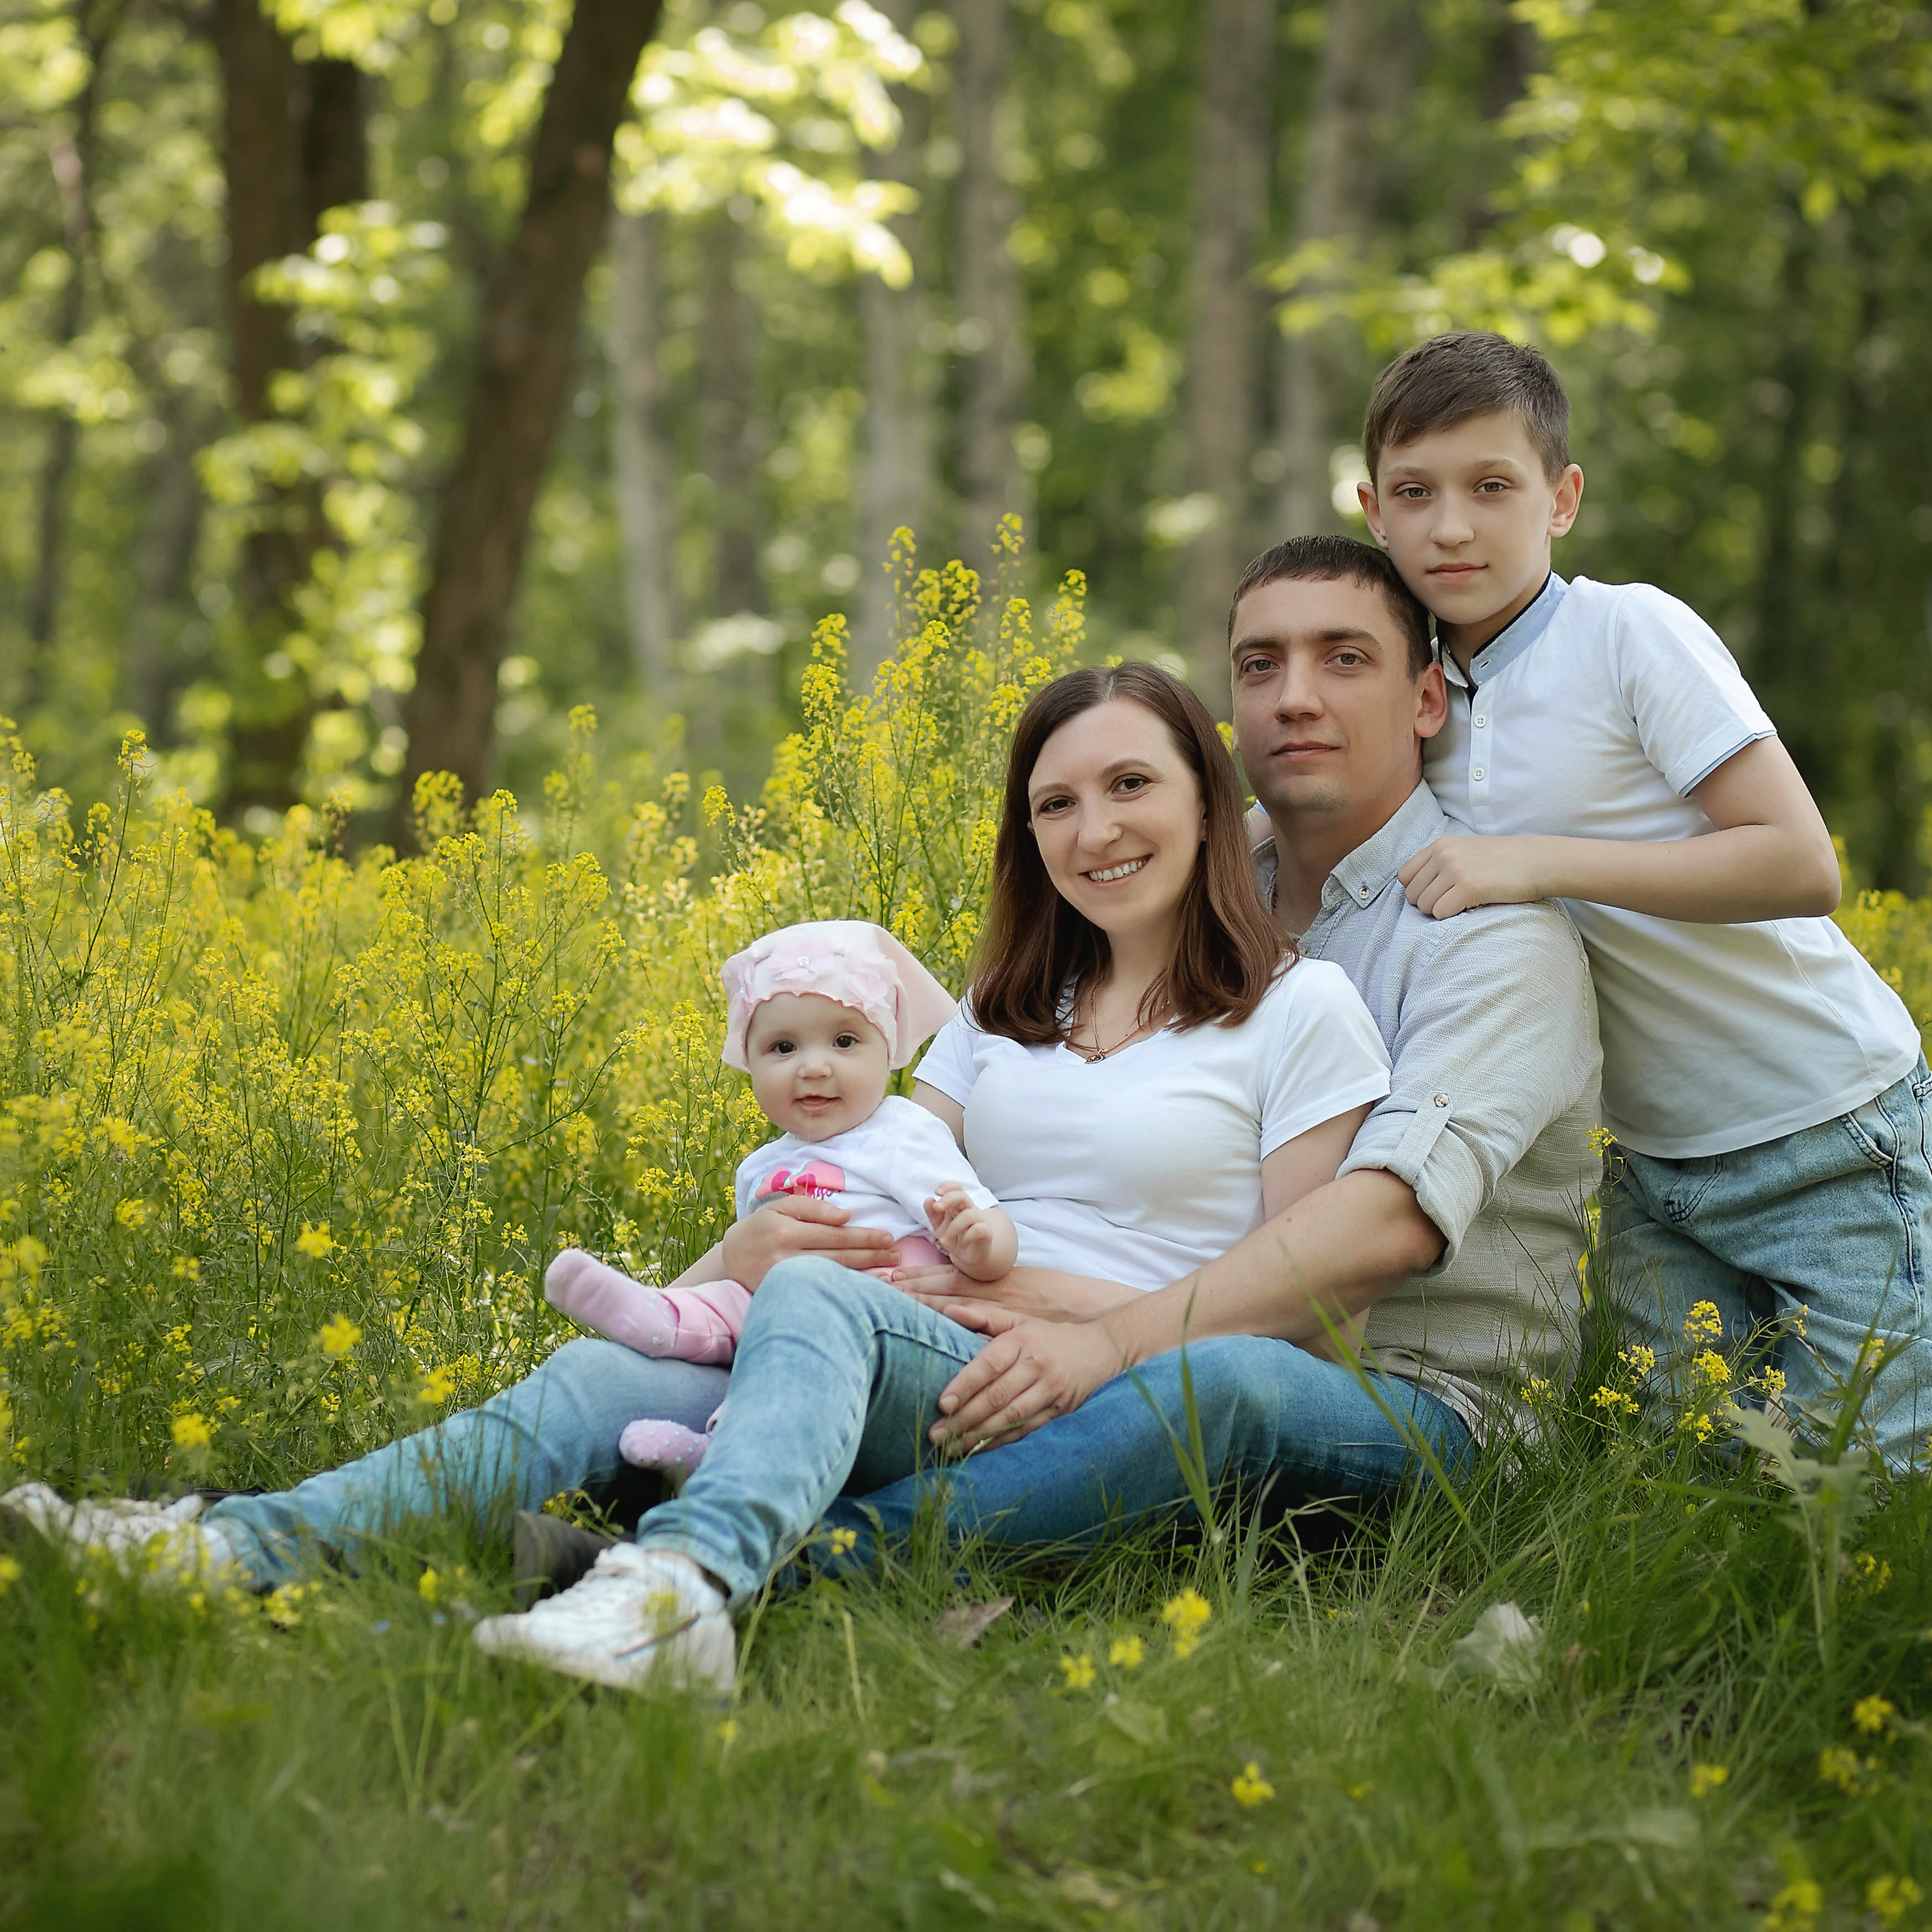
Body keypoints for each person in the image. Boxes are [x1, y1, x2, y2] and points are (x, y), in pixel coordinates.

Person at [2, 662, 1395, 1697]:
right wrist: (745, 1259)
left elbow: (1297, 1312)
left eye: (1131, 785)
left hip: (1097, 1381)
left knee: (826, 1308)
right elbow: (888, 1199)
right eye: (1056, 803)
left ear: (1208, 799)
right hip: (908, 1355)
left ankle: (675, 1592)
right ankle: (222, 1552)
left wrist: (1029, 1308)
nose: (1095, 829)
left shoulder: (1298, 1009)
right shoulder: (994, 1012)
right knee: (608, 1384)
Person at [805, 536, 1601, 1561]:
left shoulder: (1495, 941)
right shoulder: (1178, 884)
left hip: (1417, 1407)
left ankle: (786, 1565)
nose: (1294, 698)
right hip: (1155, 1336)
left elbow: (1385, 1225)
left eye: (1344, 659)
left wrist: (1102, 1335)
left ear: (1426, 700)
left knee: (1220, 1384)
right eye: (1259, 665)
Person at [1354, 328, 1932, 1469]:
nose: (1451, 526)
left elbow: (1798, 861)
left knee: (1875, 1486)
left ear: (1561, 499)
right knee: (1691, 1494)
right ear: (1374, 511)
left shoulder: (1628, 633)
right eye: (1415, 493)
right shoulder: (1419, 694)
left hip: (1825, 1129)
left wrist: (1539, 858)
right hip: (1651, 1169)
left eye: (1491, 487)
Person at [545, 918, 1016, 1476]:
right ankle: (658, 1320)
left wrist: (976, 1240)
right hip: (775, 1313)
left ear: (887, 1051)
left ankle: (716, 1439)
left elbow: (992, 1230)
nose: (814, 1066)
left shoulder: (901, 1131)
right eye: (783, 1047)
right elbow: (748, 1272)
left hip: (878, 1316)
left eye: (845, 1041)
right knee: (740, 1315)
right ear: (749, 1063)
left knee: (785, 1345)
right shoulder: (760, 1167)